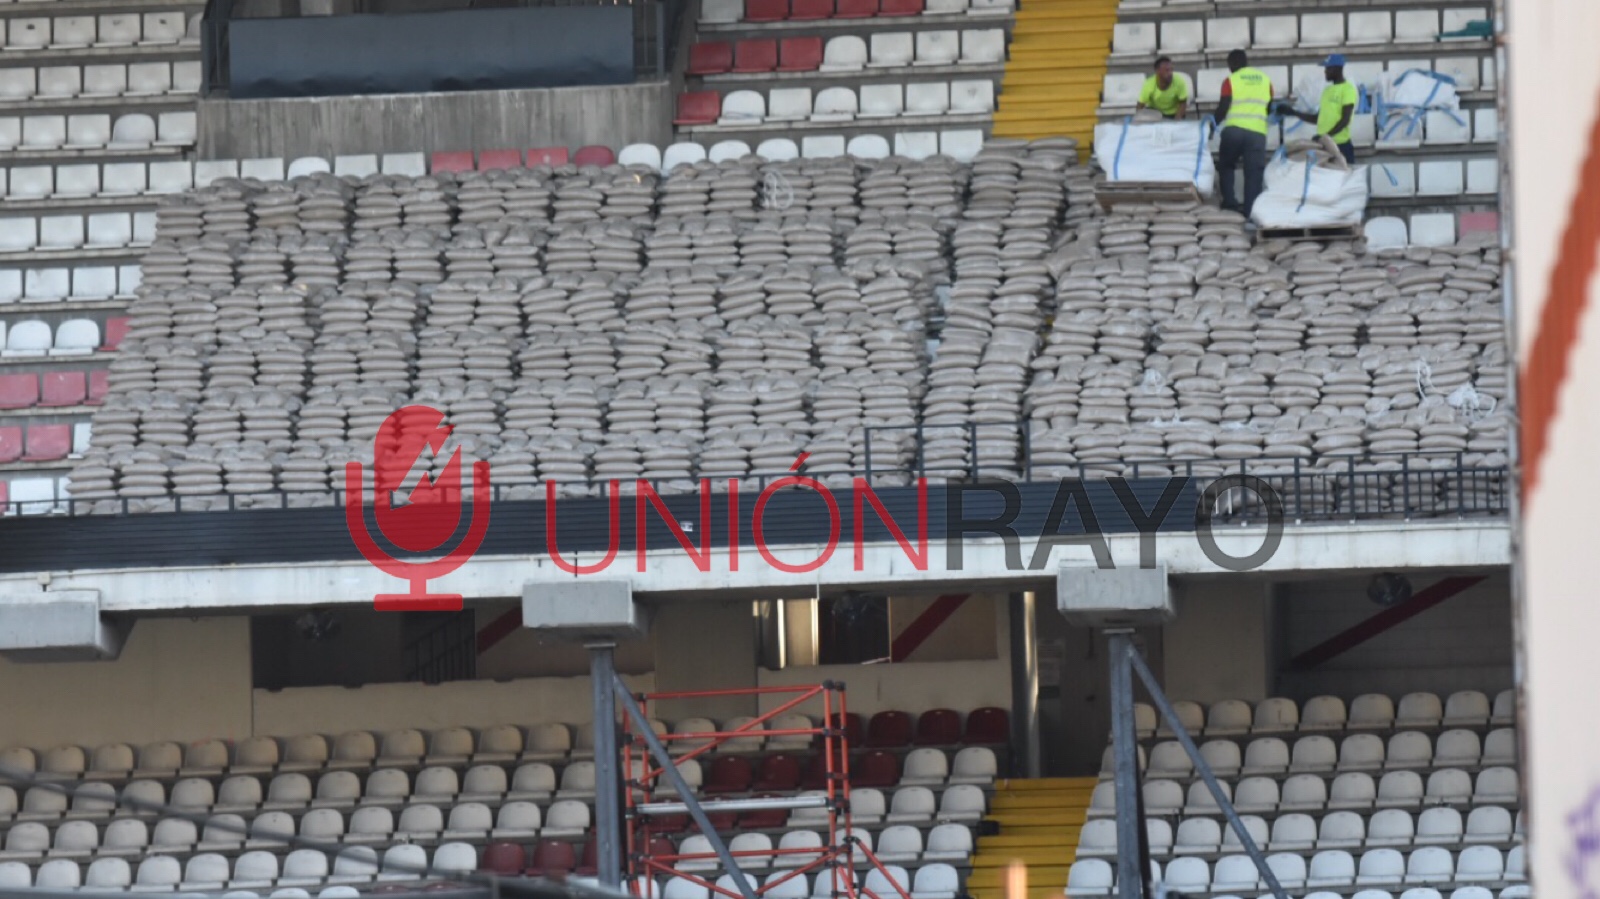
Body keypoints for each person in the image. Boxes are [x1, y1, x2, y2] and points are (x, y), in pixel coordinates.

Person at [1213, 49, 1272, 218]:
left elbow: (1223, 107)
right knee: (1254, 173)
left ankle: (1230, 206)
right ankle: (1250, 213)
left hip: (1234, 131)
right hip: (1257, 133)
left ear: (1231, 64)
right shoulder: (1265, 79)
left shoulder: (1230, 80)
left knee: (1226, 166)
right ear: (1246, 62)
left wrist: (1212, 125)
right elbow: (1268, 107)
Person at [1279, 53, 1359, 163]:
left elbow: (1345, 119)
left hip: (1340, 145)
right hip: (1325, 146)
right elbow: (1318, 118)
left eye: (1328, 68)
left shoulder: (1348, 89)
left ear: (1337, 69)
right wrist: (1294, 113)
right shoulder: (1327, 91)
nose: (1325, 71)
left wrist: (1325, 137)